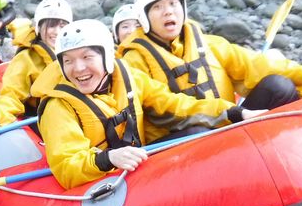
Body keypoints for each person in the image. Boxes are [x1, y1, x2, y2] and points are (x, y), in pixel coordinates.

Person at [117, 0, 302, 143]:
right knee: (196, 132)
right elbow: (165, 107)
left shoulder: (210, 44)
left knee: (278, 86)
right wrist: (230, 112)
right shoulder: (133, 61)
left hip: (228, 123)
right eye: (158, 7)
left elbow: (261, 65)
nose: (168, 11)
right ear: (144, 18)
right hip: (177, 141)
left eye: (173, 4)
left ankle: (295, 147)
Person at [31, 19, 252, 190]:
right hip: (103, 183)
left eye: (87, 57)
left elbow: (175, 104)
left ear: (106, 56)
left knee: (197, 133)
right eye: (68, 60)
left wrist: (232, 112)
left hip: (139, 167)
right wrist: (109, 158)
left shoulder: (129, 77)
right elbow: (67, 167)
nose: (78, 68)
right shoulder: (57, 107)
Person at [0, 0, 73, 130]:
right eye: (51, 25)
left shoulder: (75, 54)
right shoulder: (26, 58)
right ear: (39, 27)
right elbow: (11, 95)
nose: (57, 32)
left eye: (62, 26)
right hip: (45, 118)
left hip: (71, 114)